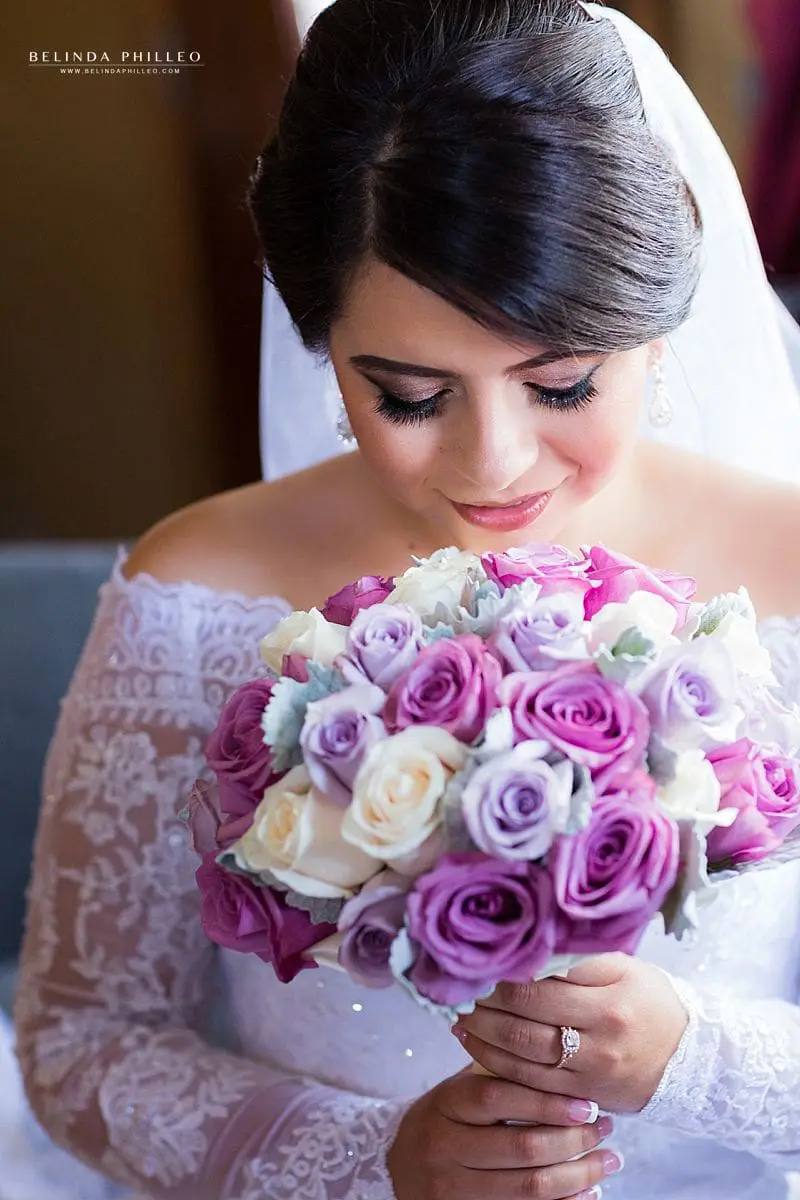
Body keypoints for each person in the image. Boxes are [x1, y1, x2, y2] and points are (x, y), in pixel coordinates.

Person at [7, 2, 800, 1198]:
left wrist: (693, 1062)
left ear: (652, 327)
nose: (493, 463)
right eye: (411, 396)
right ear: (322, 343)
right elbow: (79, 1043)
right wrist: (369, 1161)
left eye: (561, 382)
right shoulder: (194, 592)